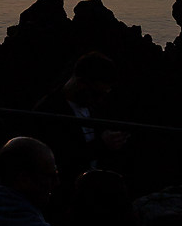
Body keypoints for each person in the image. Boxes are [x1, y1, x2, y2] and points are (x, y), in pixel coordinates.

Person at [34, 51, 128, 201]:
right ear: (80, 82)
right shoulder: (49, 111)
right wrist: (102, 145)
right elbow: (61, 157)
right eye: (96, 94)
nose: (100, 99)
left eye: (104, 94)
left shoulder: (95, 107)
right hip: (66, 192)